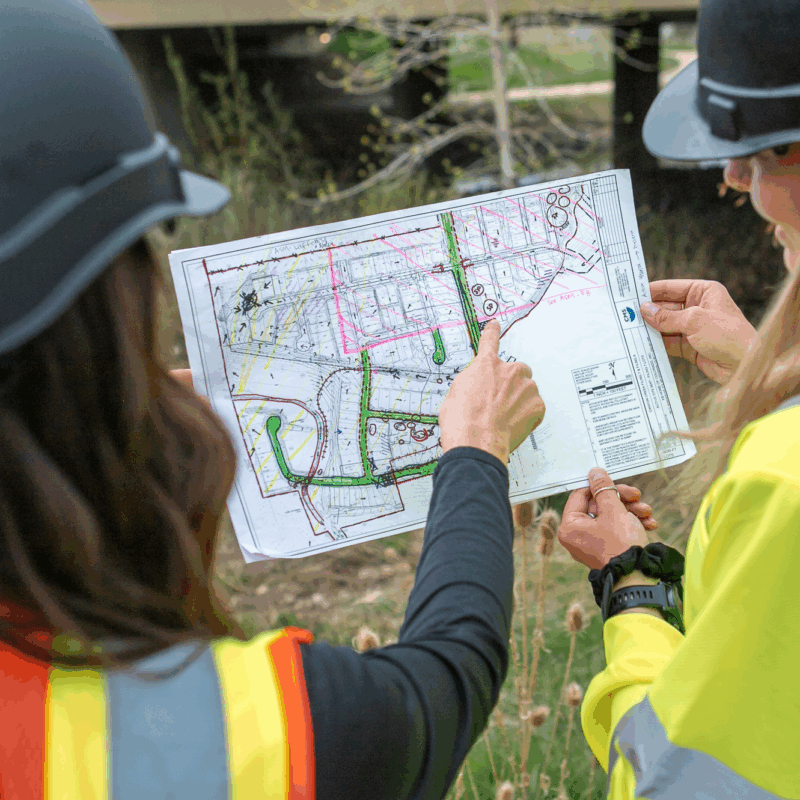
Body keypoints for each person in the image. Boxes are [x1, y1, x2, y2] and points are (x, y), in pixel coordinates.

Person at [0, 2, 663, 797]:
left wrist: (114, 428)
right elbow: (438, 685)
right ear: (108, 312)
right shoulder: (226, 732)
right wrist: (476, 453)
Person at [555, 0, 800, 797]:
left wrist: (632, 587)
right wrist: (767, 375)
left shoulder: (780, 483)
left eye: (768, 151)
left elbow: (677, 777)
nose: (736, 180)